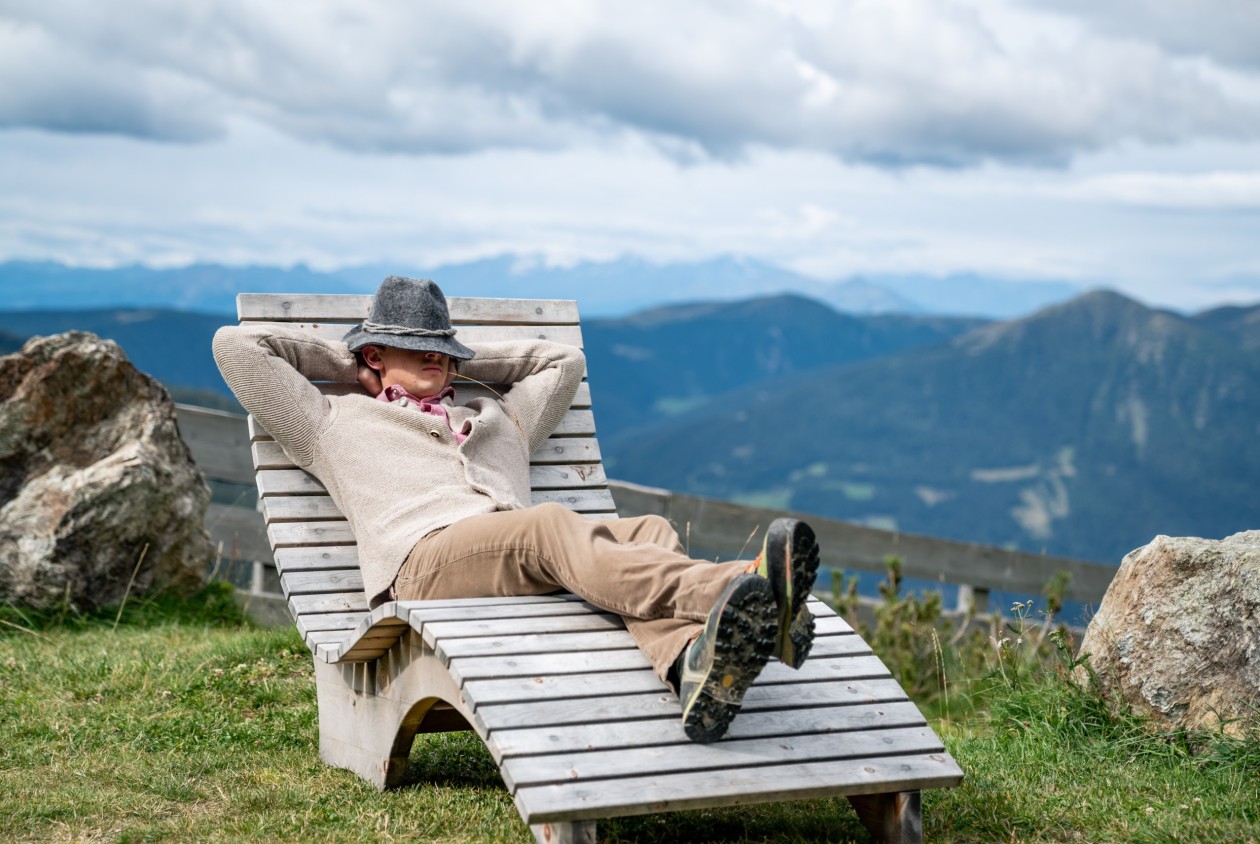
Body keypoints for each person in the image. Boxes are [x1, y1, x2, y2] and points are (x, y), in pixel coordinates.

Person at [213, 275, 820, 742]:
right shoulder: (331, 422)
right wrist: (359, 360)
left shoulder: (501, 419)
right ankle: (743, 588)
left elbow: (563, 362)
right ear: (375, 352)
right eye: (417, 348)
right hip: (422, 565)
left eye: (443, 351)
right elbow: (238, 347)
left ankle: (688, 662)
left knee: (649, 527)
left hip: (510, 552)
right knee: (547, 525)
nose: (437, 360)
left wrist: (459, 360)